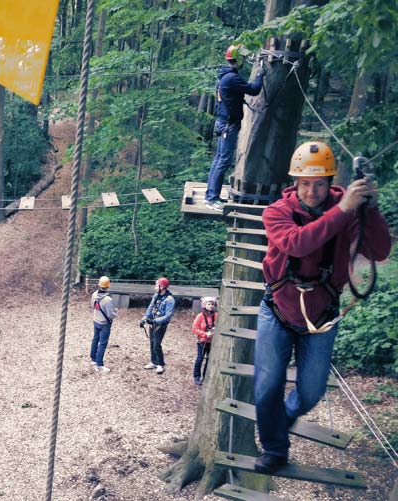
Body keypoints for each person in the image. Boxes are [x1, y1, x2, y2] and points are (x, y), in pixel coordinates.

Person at [253, 141, 391, 473]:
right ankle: (274, 448)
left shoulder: (348, 208)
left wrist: (367, 209)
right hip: (279, 310)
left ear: (329, 182)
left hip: (322, 316)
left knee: (311, 392)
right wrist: (343, 209)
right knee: (266, 386)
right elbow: (296, 244)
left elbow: (379, 251)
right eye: (305, 184)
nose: (312, 191)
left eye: (319, 184)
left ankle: (285, 416)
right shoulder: (277, 212)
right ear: (295, 183)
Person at [204, 45, 265, 211]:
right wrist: (260, 74)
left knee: (219, 159)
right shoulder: (231, 78)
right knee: (223, 161)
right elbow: (254, 89)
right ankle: (212, 198)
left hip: (224, 123)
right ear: (238, 59)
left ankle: (210, 196)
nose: (244, 61)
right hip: (228, 126)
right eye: (243, 59)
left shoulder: (226, 77)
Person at [141, 277, 175, 374]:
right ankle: (154, 362)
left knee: (157, 344)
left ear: (163, 287)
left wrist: (155, 321)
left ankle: (160, 364)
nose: (155, 287)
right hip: (152, 323)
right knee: (152, 343)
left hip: (160, 325)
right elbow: (150, 308)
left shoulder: (170, 300)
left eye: (157, 285)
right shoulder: (156, 296)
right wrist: (144, 319)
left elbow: (168, 315)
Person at [90, 276, 118, 373]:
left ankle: (93, 359)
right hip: (104, 324)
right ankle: (99, 364)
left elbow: (92, 306)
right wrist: (116, 313)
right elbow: (110, 314)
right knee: (102, 343)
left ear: (99, 285)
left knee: (95, 339)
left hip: (96, 320)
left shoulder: (94, 295)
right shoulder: (108, 299)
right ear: (108, 286)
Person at [192, 296, 217, 386]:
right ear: (204, 305)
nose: (210, 306)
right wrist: (205, 334)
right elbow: (194, 329)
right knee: (200, 358)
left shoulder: (216, 316)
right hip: (202, 341)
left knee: (209, 360)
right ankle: (196, 376)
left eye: (212, 304)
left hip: (212, 342)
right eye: (209, 304)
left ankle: (206, 376)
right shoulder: (200, 316)